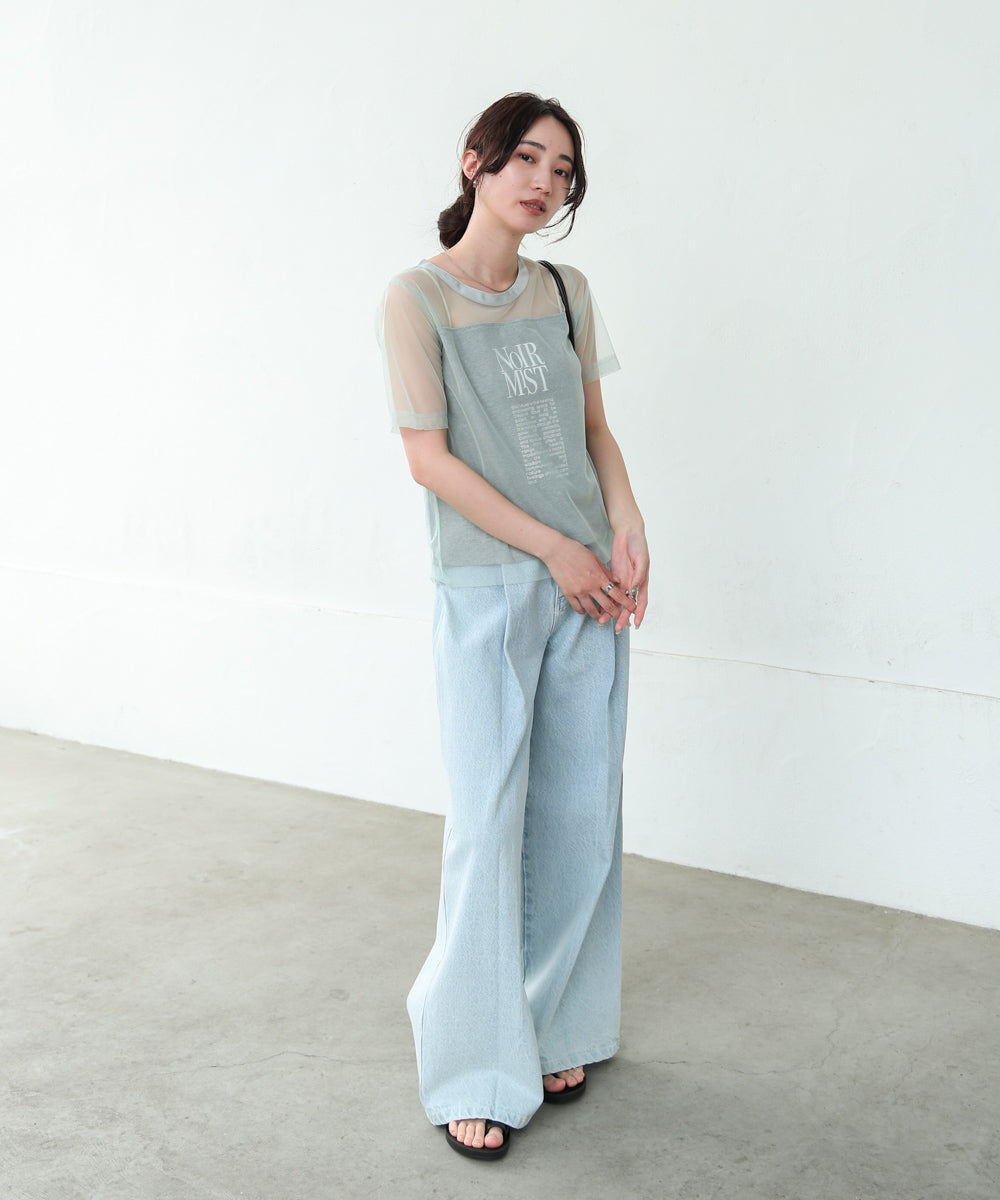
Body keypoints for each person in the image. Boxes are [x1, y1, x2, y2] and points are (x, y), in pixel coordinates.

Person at [376, 92, 649, 1161]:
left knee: (579, 812)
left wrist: (626, 525)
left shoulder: (567, 291)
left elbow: (594, 433)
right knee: (489, 821)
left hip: (590, 584)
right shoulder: (414, 298)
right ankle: (473, 1064)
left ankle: (553, 1023)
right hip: (494, 583)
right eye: (526, 158)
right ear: (475, 162)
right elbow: (428, 460)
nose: (544, 181)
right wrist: (553, 549)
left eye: (563, 169)